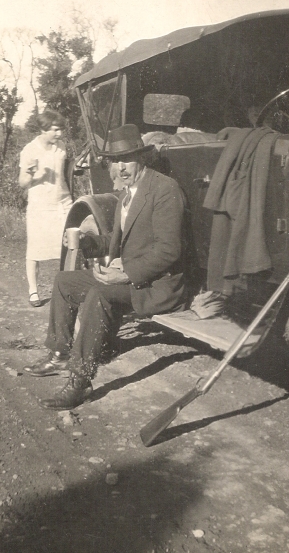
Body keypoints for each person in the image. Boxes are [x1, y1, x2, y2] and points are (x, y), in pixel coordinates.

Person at [24, 124, 187, 410]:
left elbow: (169, 250)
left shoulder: (163, 189)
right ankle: (60, 353)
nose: (121, 168)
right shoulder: (127, 193)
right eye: (115, 161)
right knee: (64, 282)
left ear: (143, 158)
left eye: (127, 160)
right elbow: (118, 240)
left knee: (100, 295)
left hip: (156, 286)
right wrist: (87, 244)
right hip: (129, 278)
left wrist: (125, 273)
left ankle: (80, 380)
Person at [18, 109, 72, 307]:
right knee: (35, 251)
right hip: (40, 206)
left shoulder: (61, 147)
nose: (59, 134)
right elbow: (22, 183)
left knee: (69, 247)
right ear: (43, 129)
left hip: (63, 203)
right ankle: (33, 291)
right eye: (55, 130)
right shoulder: (29, 151)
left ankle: (67, 290)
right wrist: (32, 174)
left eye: (60, 130)